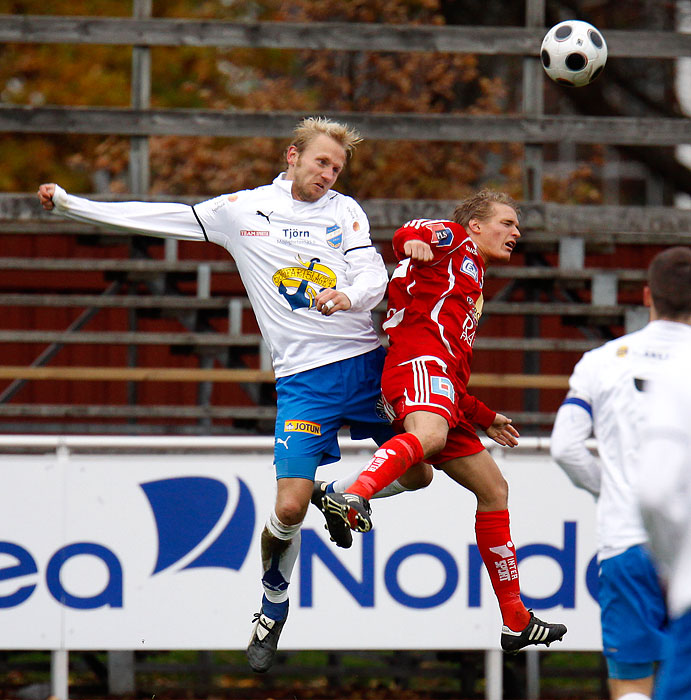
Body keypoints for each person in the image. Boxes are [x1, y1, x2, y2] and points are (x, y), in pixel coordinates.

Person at [37, 116, 432, 673]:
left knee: (420, 471)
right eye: (321, 162)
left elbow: (373, 274)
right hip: (304, 381)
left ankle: (337, 493)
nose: (329, 174)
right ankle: (273, 604)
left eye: (337, 168)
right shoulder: (241, 211)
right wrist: (74, 204)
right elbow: (161, 217)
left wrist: (349, 298)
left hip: (368, 365)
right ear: (292, 155)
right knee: (288, 507)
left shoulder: (345, 211)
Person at [316, 190, 568, 653]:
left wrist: (484, 416)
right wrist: (412, 242)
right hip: (417, 364)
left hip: (440, 380)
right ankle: (355, 495)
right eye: (507, 223)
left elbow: (454, 368)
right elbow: (409, 233)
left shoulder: (469, 276)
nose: (516, 232)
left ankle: (515, 619)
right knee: (427, 438)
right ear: (476, 225)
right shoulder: (454, 241)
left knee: (489, 489)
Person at [550, 246, 691, 700]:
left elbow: (566, 448)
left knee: (632, 683)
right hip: (687, 548)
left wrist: (609, 489)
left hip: (626, 540)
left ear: (648, 295)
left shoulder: (602, 361)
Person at [637, 354, 691, 700]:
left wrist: (672, 562)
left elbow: (655, 493)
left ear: (646, 296)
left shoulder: (681, 368)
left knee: (631, 676)